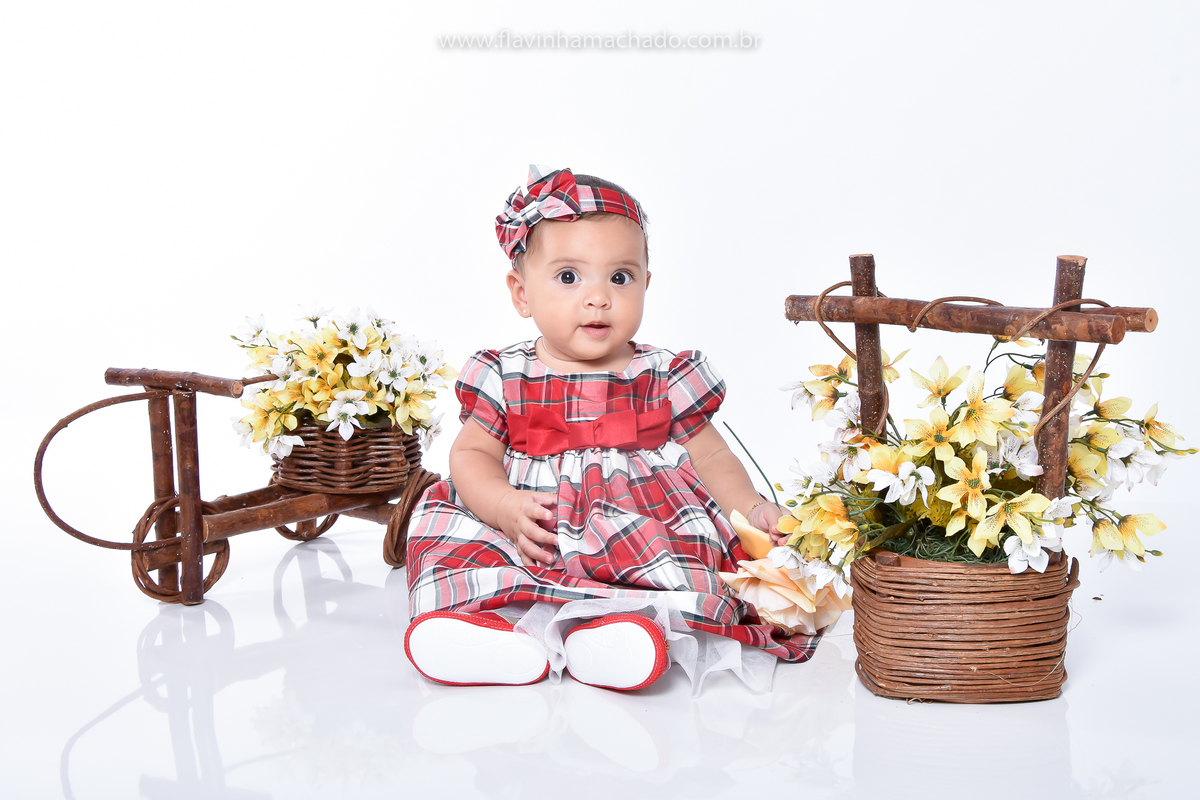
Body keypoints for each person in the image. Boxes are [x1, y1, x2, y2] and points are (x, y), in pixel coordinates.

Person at [404, 166, 819, 694]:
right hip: (534, 527)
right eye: (569, 277)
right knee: (464, 547)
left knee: (676, 565)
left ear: (646, 283)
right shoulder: (504, 374)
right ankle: (488, 634)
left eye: (620, 278)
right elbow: (471, 456)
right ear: (521, 293)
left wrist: (751, 511)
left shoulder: (664, 375)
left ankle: (611, 637)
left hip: (636, 525)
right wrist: (504, 506)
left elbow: (712, 458)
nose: (598, 297)